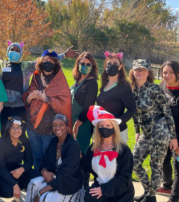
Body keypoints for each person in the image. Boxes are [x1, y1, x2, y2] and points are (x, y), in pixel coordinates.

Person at [0, 41, 81, 136]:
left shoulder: (27, 66)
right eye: (12, 49)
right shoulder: (0, 64)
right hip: (3, 107)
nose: (14, 52)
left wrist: (64, 55)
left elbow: (46, 60)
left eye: (17, 50)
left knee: (19, 134)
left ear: (21, 53)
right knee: (4, 135)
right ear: (8, 51)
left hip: (21, 107)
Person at [130, 59, 178, 202]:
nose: (140, 72)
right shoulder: (131, 90)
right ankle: (148, 192)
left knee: (155, 166)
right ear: (132, 72)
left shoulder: (155, 89)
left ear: (148, 72)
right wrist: (137, 131)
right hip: (145, 132)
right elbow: (134, 113)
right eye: (137, 69)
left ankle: (151, 197)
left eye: (143, 70)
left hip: (160, 131)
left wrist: (173, 137)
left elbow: (167, 113)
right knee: (134, 162)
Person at [23, 49, 72, 171]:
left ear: (55, 63)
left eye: (51, 61)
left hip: (49, 130)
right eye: (45, 60)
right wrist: (31, 96)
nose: (47, 63)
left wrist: (47, 99)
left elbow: (65, 101)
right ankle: (35, 184)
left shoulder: (59, 79)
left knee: (48, 159)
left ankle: (47, 185)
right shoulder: (36, 76)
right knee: (36, 157)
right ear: (40, 61)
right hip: (32, 127)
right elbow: (27, 99)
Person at [25, 114, 84, 202]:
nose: (57, 127)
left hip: (68, 183)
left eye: (61, 124)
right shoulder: (53, 141)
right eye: (54, 125)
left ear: (67, 127)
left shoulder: (73, 146)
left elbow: (66, 175)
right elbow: (44, 161)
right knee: (32, 184)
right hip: (54, 178)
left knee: (45, 198)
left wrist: (40, 192)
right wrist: (44, 171)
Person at [81, 105, 134, 202]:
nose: (104, 128)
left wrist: (104, 190)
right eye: (101, 126)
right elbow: (85, 168)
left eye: (108, 125)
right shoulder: (93, 149)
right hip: (100, 186)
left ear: (114, 128)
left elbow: (125, 177)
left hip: (121, 192)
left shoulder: (123, 150)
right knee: (89, 197)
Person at [70, 52, 99, 190]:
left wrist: (77, 124)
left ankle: (84, 186)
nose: (85, 66)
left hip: (83, 123)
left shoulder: (92, 83)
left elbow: (88, 107)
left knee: (82, 152)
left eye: (88, 64)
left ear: (92, 66)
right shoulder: (77, 81)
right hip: (73, 121)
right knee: (73, 153)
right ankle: (74, 183)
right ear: (78, 64)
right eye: (82, 64)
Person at [0, 116, 40, 201]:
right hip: (2, 172)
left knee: (38, 176)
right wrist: (14, 185)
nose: (16, 130)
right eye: (13, 128)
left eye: (19, 127)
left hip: (17, 169)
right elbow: (0, 168)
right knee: (9, 191)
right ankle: (5, 187)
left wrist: (22, 169)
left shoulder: (25, 141)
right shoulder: (0, 142)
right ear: (8, 129)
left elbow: (29, 161)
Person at [96, 51, 136, 143]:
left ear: (120, 67)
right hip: (102, 131)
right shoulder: (104, 84)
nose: (112, 65)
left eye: (115, 64)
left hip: (118, 132)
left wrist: (117, 123)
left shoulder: (124, 86)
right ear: (105, 66)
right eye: (109, 63)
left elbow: (132, 109)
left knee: (116, 157)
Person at [157, 61, 179, 202]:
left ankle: (174, 197)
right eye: (165, 72)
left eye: (171, 72)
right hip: (165, 132)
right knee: (164, 160)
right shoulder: (162, 86)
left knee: (177, 164)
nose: (167, 75)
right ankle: (167, 185)